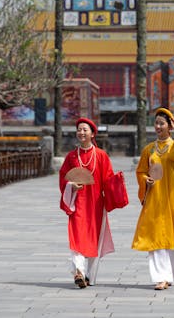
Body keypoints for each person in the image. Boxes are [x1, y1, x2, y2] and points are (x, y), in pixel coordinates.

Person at [132, 107, 174, 290]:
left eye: (162, 123)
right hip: (154, 198)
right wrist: (145, 180)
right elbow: (141, 171)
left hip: (172, 197)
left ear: (169, 126)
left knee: (172, 236)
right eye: (156, 123)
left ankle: (170, 275)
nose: (158, 126)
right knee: (155, 236)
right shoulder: (149, 149)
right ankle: (160, 277)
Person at [59, 117, 115, 288]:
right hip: (78, 202)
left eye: (85, 130)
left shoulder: (101, 155)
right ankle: (79, 271)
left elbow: (108, 179)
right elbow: (63, 178)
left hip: (96, 202)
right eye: (79, 130)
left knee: (93, 237)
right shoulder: (71, 157)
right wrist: (71, 186)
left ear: (92, 134)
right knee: (77, 235)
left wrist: (116, 188)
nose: (81, 132)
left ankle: (89, 275)